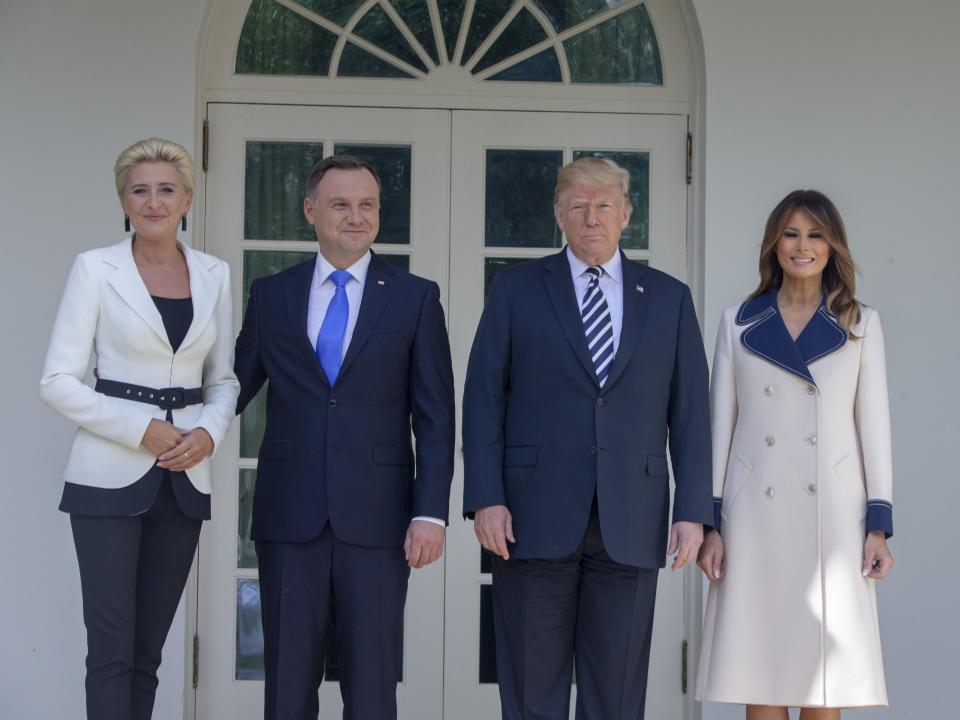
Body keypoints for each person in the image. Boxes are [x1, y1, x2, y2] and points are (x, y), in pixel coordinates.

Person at [462, 156, 713, 719]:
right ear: (559, 213)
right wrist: (486, 498)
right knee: (531, 691)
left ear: (627, 213)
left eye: (604, 204)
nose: (591, 217)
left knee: (617, 696)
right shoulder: (516, 288)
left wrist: (693, 510)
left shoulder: (669, 298)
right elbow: (481, 401)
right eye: (578, 205)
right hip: (531, 516)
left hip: (632, 517)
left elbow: (692, 411)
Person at [234, 154, 455, 720]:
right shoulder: (272, 294)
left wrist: (430, 512)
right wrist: (173, 428)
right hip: (290, 515)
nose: (355, 217)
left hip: (379, 518)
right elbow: (230, 388)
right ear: (311, 211)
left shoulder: (415, 297)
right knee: (287, 683)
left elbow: (435, 415)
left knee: (373, 683)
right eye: (340, 205)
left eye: (367, 205)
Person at [39, 137, 239, 720]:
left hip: (184, 479)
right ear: (124, 202)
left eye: (166, 190)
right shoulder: (95, 269)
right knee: (110, 654)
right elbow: (56, 380)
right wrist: (140, 430)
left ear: (187, 199)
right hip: (106, 479)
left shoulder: (214, 274)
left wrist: (208, 434)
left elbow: (222, 380)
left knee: (148, 654)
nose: (153, 202)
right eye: (139, 191)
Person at [695, 190, 894, 719]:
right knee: (761, 675)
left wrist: (879, 524)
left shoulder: (860, 324)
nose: (801, 246)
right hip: (754, 519)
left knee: (822, 683)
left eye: (814, 234)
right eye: (790, 233)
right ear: (773, 244)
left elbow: (873, 430)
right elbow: (721, 427)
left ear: (832, 246)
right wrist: (710, 520)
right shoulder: (738, 322)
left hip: (832, 518)